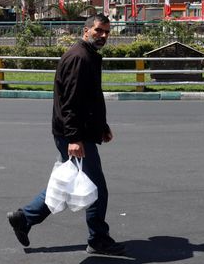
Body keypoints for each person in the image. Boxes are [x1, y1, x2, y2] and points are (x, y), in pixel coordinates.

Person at [7, 14, 126, 256]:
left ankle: (24, 217)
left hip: (79, 132)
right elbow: (70, 103)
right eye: (98, 31)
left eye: (106, 32)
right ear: (86, 31)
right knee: (95, 188)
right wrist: (73, 138)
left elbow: (90, 97)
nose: (103, 35)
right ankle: (98, 239)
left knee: (68, 182)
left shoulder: (88, 56)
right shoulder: (79, 58)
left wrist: (101, 126)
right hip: (73, 134)